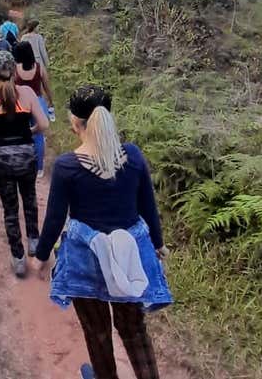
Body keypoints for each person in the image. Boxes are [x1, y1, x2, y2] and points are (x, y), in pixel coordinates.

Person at [34, 85, 172, 379]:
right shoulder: (132, 156)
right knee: (134, 331)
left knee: (97, 333)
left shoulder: (67, 167)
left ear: (76, 123)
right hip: (127, 259)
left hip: (87, 262)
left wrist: (42, 255)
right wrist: (158, 245)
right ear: (108, 118)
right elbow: (148, 205)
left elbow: (55, 219)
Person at [0, 51, 49, 277]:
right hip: (25, 156)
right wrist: (30, 131)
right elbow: (44, 125)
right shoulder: (26, 93)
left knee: (10, 209)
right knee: (30, 198)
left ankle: (18, 258)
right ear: (14, 70)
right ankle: (34, 241)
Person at [13, 41, 54, 178]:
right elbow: (47, 87)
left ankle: (22, 163)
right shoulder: (39, 67)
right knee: (38, 136)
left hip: (21, 103)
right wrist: (51, 102)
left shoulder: (15, 69)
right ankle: (39, 168)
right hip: (38, 101)